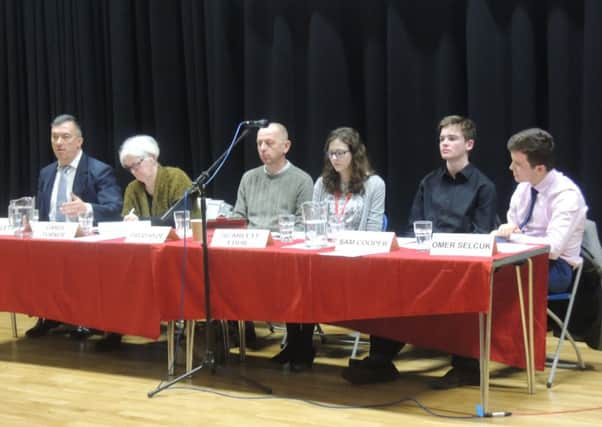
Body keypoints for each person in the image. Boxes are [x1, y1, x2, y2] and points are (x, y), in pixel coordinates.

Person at [341, 115, 497, 387]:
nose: (445, 143)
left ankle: (466, 366)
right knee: (390, 285)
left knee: (463, 287)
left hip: (459, 263)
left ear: (469, 144)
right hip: (425, 258)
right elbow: (414, 226)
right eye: (442, 139)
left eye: (452, 138)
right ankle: (380, 359)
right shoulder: (429, 182)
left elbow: (482, 234)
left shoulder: (484, 186)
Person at [271, 127, 385, 372]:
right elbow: (312, 220)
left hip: (354, 258)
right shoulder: (322, 183)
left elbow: (374, 230)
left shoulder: (374, 184)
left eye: (341, 153)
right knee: (296, 275)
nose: (335, 158)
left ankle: (303, 347)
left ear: (355, 154)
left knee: (311, 279)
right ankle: (297, 343)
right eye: (331, 153)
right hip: (323, 254)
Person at [95, 134, 197, 351]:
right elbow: (126, 221)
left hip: (176, 249)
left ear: (153, 157)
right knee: (115, 271)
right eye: (129, 167)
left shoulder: (176, 177)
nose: (134, 171)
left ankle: (177, 324)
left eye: (137, 164)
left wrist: (141, 222)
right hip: (142, 252)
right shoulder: (133, 188)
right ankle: (114, 328)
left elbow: (181, 218)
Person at [26, 114, 123, 339]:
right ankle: (48, 315)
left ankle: (87, 320)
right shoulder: (46, 173)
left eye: (65, 137)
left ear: (79, 141)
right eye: (54, 137)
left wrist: (86, 208)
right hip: (50, 240)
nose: (59, 142)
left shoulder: (99, 170)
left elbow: (114, 207)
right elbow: (44, 210)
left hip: (84, 243)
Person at [231, 122, 313, 348]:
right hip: (250, 249)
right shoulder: (249, 177)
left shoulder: (302, 180)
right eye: (259, 143)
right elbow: (239, 216)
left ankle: (301, 345)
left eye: (269, 143)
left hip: (283, 250)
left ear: (286, 146)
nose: (263, 148)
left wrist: (272, 240)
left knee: (301, 277)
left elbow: (303, 222)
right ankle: (238, 333)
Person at [495, 128, 587, 293]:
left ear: (539, 169)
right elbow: (513, 226)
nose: (510, 167)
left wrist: (514, 236)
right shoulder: (523, 188)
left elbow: (553, 249)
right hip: (519, 257)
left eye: (518, 164)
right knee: (482, 272)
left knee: (499, 281)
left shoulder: (566, 195)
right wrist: (504, 232)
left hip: (556, 266)